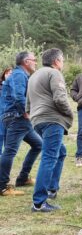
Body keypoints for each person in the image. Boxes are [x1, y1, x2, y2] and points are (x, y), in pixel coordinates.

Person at [26, 48, 73, 212]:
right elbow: (60, 98)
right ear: (56, 61)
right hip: (52, 120)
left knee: (61, 152)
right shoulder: (54, 73)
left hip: (37, 121)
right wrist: (70, 113)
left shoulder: (33, 76)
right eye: (62, 60)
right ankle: (39, 203)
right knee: (49, 157)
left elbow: (28, 104)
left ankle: (52, 189)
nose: (63, 63)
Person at [0, 52, 42, 196]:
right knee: (10, 151)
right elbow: (19, 96)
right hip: (17, 118)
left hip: (16, 118)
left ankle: (23, 178)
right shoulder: (19, 74)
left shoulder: (20, 74)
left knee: (38, 145)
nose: (35, 62)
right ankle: (2, 186)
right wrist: (26, 113)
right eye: (34, 60)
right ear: (26, 61)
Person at [0, 67, 12, 155]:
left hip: (8, 114)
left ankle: (6, 155)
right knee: (0, 134)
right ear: (4, 74)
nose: (9, 75)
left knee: (8, 136)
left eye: (11, 74)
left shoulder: (15, 87)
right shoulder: (1, 86)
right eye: (7, 73)